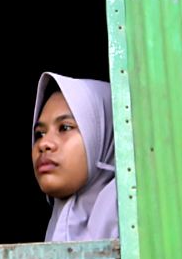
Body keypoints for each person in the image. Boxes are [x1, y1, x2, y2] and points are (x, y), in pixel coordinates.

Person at [31, 72, 118, 241]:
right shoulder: (58, 225)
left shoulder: (134, 214)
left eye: (65, 128)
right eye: (39, 133)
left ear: (105, 136)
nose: (44, 144)